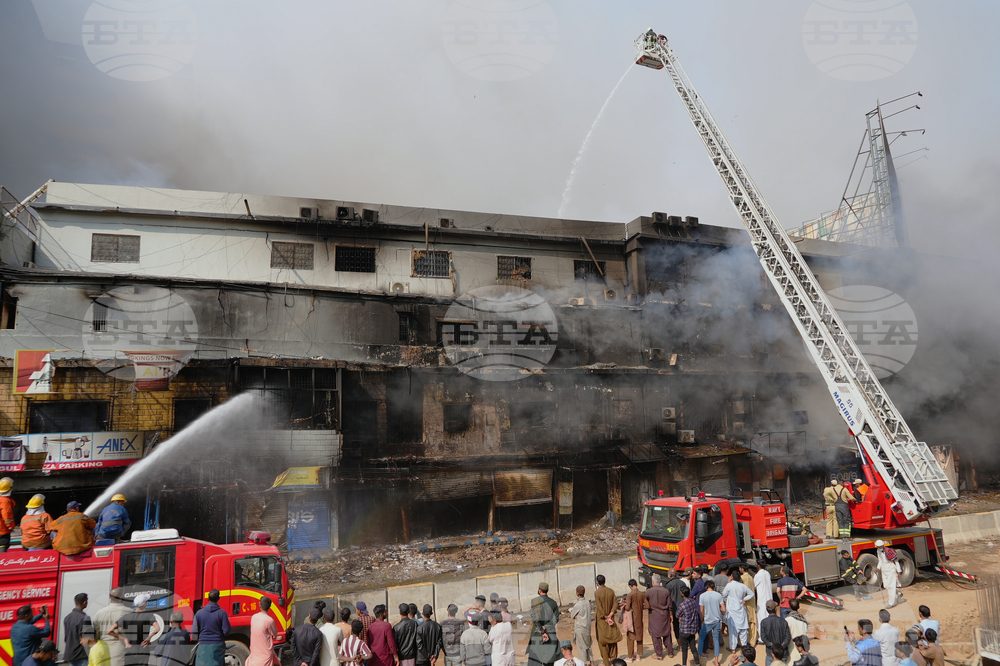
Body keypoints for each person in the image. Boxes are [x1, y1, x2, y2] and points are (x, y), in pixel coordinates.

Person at [119, 594, 166, 666]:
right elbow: (157, 629)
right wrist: (148, 638)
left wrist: (125, 641)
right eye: (146, 602)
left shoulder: (126, 616)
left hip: (129, 650)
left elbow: (111, 631)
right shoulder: (149, 615)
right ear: (144, 604)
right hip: (143, 649)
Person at [194, 589, 232, 666]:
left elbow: (194, 630)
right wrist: (220, 636)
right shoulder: (222, 613)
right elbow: (227, 630)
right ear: (218, 598)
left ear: (208, 599)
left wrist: (201, 638)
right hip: (217, 644)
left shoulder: (199, 613)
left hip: (203, 645)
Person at [91, 589, 129, 666]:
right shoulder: (128, 612)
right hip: (120, 647)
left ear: (109, 597)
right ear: (121, 597)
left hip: (102, 647)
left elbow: (95, 632)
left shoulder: (99, 613)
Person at [721, 567, 754, 651]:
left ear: (732, 577)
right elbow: (751, 594)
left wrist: (728, 583)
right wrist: (744, 599)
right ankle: (744, 647)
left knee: (733, 631)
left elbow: (724, 594)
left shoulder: (729, 585)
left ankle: (733, 648)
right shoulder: (742, 586)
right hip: (741, 609)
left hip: (732, 611)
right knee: (743, 630)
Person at [529, 583, 560, 666]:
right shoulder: (553, 603)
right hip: (550, 634)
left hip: (537, 634)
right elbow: (556, 618)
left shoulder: (535, 601)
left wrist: (542, 631)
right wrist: (546, 627)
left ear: (539, 590)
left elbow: (535, 619)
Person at [645, 574, 674, 660]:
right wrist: (671, 615)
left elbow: (646, 603)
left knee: (655, 635)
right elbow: (670, 605)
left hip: (654, 615)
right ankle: (670, 652)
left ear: (653, 581)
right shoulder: (666, 591)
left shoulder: (649, 591)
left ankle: (659, 654)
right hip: (664, 614)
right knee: (667, 634)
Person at [594, 576, 621, 666]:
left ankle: (606, 662)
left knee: (603, 642)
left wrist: (606, 617)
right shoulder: (611, 591)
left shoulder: (597, 593)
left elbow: (600, 607)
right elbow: (616, 604)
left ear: (597, 582)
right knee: (613, 640)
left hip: (602, 621)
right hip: (611, 619)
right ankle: (614, 660)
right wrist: (610, 615)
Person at [697, 579, 723, 666]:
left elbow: (701, 611)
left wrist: (702, 621)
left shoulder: (702, 596)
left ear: (706, 587)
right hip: (717, 621)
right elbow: (723, 609)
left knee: (701, 639)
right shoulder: (718, 595)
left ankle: (699, 659)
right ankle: (716, 661)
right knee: (716, 640)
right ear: (713, 587)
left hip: (707, 621)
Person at [63, 593, 92, 666]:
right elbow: (88, 638)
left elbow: (67, 637)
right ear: (85, 602)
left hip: (70, 654)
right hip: (82, 655)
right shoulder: (85, 618)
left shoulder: (67, 618)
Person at [624, 579, 649, 662]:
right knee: (639, 637)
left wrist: (624, 605)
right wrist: (641, 607)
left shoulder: (630, 595)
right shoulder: (642, 594)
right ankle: (638, 655)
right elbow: (648, 606)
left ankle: (630, 657)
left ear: (630, 586)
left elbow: (627, 608)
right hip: (639, 619)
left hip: (632, 619)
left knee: (630, 638)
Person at [759, 601, 790, 666]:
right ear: (776, 609)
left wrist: (773, 647)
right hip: (782, 654)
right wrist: (781, 647)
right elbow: (788, 637)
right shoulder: (783, 621)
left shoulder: (764, 622)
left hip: (770, 653)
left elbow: (763, 638)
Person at [571, 586, 595, 666]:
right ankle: (592, 662)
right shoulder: (587, 602)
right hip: (587, 627)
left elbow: (572, 615)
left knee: (581, 648)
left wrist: (575, 615)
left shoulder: (578, 604)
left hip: (580, 628)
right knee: (588, 645)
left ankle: (583, 664)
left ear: (577, 593)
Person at [676, 587, 700, 666]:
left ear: (682, 594)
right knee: (693, 648)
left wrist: (681, 617)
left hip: (684, 630)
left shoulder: (682, 605)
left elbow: (677, 615)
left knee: (684, 650)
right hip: (692, 629)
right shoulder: (693, 602)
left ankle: (684, 664)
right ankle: (698, 664)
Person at [875, 541, 903, 609]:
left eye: (880, 547)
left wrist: (899, 572)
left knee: (891, 587)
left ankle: (891, 603)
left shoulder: (889, 551)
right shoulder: (878, 551)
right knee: (886, 586)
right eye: (878, 547)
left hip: (891, 570)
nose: (879, 548)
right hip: (884, 570)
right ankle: (898, 593)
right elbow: (880, 561)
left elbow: (896, 562)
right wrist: (877, 568)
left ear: (883, 546)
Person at [666, 570, 688, 645]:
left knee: (676, 627)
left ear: (671, 575)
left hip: (674, 609)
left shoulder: (669, 585)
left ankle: (680, 645)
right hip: (684, 608)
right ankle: (686, 643)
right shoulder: (682, 583)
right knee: (685, 626)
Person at [739, 563, 758, 647]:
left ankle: (741, 642)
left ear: (742, 569)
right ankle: (753, 641)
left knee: (743, 622)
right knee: (752, 622)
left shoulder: (742, 578)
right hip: (751, 602)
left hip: (744, 602)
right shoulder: (751, 577)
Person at [753, 565, 772, 640]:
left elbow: (753, 586)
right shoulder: (767, 573)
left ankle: (762, 637)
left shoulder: (758, 575)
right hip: (769, 598)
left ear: (757, 565)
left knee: (761, 618)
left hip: (762, 599)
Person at [0, 476, 15, 552]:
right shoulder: (5, 501)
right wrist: (10, 526)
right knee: (3, 545)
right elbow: (6, 514)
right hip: (2, 529)